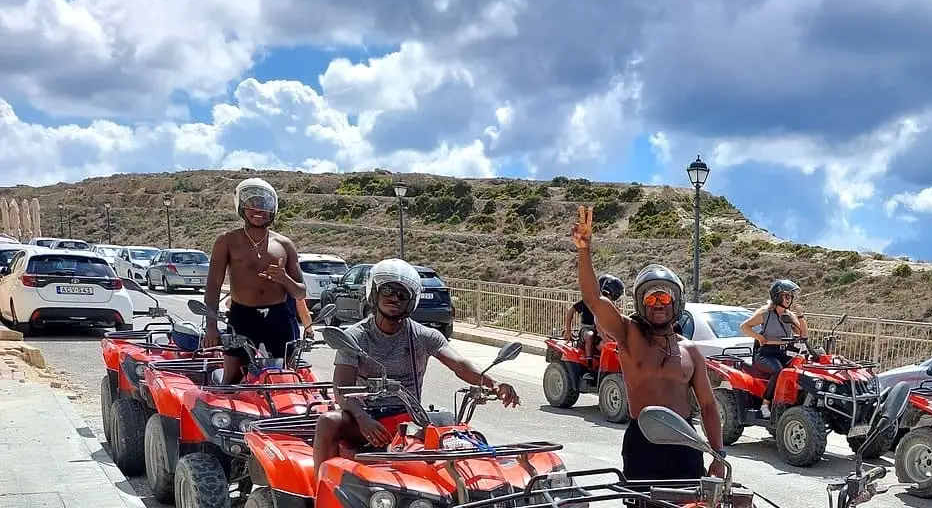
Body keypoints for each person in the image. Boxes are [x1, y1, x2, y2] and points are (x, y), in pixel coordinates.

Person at [312, 259, 520, 474]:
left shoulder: (423, 335)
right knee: (328, 421)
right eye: (388, 291)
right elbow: (342, 390)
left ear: (411, 301)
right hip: (365, 417)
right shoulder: (355, 336)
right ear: (374, 293)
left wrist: (493, 383)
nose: (394, 298)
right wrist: (363, 419)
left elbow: (459, 364)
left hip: (410, 418)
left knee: (460, 435)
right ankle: (320, 490)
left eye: (402, 295)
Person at [571, 205, 726, 495]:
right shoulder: (629, 334)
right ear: (641, 302)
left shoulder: (691, 352)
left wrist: (718, 454)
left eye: (664, 296)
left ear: (675, 302)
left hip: (685, 443)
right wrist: (584, 250)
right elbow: (593, 298)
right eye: (651, 297)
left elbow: (707, 405)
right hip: (642, 442)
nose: (658, 303)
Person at [202, 178, 307, 384]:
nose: (257, 210)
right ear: (241, 207)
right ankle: (226, 415)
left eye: (263, 205)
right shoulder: (227, 240)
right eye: (252, 204)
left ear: (273, 210)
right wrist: (211, 326)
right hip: (242, 316)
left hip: (278, 318)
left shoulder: (284, 244)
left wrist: (284, 279)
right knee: (231, 378)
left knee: (283, 378)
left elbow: (300, 293)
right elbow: (213, 284)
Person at [739, 278, 808, 417]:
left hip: (785, 353)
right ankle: (765, 404)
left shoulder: (790, 316)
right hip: (766, 354)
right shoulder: (765, 314)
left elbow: (804, 334)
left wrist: (800, 315)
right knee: (779, 371)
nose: (789, 300)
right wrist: (759, 338)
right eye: (786, 296)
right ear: (777, 296)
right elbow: (744, 326)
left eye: (791, 297)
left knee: (802, 371)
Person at [563, 274, 623, 364]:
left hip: (602, 330)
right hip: (587, 328)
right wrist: (568, 330)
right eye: (607, 294)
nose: (609, 298)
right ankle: (589, 363)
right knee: (590, 335)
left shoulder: (610, 306)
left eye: (611, 296)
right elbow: (571, 311)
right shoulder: (588, 301)